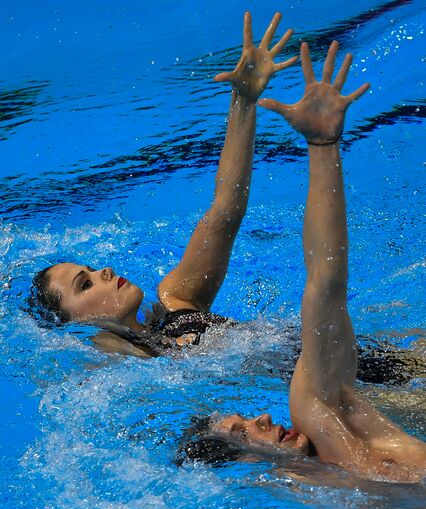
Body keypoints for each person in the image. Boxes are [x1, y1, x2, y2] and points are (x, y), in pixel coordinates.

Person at [186, 41, 426, 482]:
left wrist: (322, 145)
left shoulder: (325, 420)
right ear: (242, 469)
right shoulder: (312, 495)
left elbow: (325, 281)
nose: (260, 418)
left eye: (242, 419)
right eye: (242, 431)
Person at [30, 12, 298, 357]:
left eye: (92, 270)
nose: (105, 271)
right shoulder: (124, 374)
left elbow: (226, 210)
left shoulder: (178, 297)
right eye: (86, 284)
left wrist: (243, 101)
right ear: (75, 325)